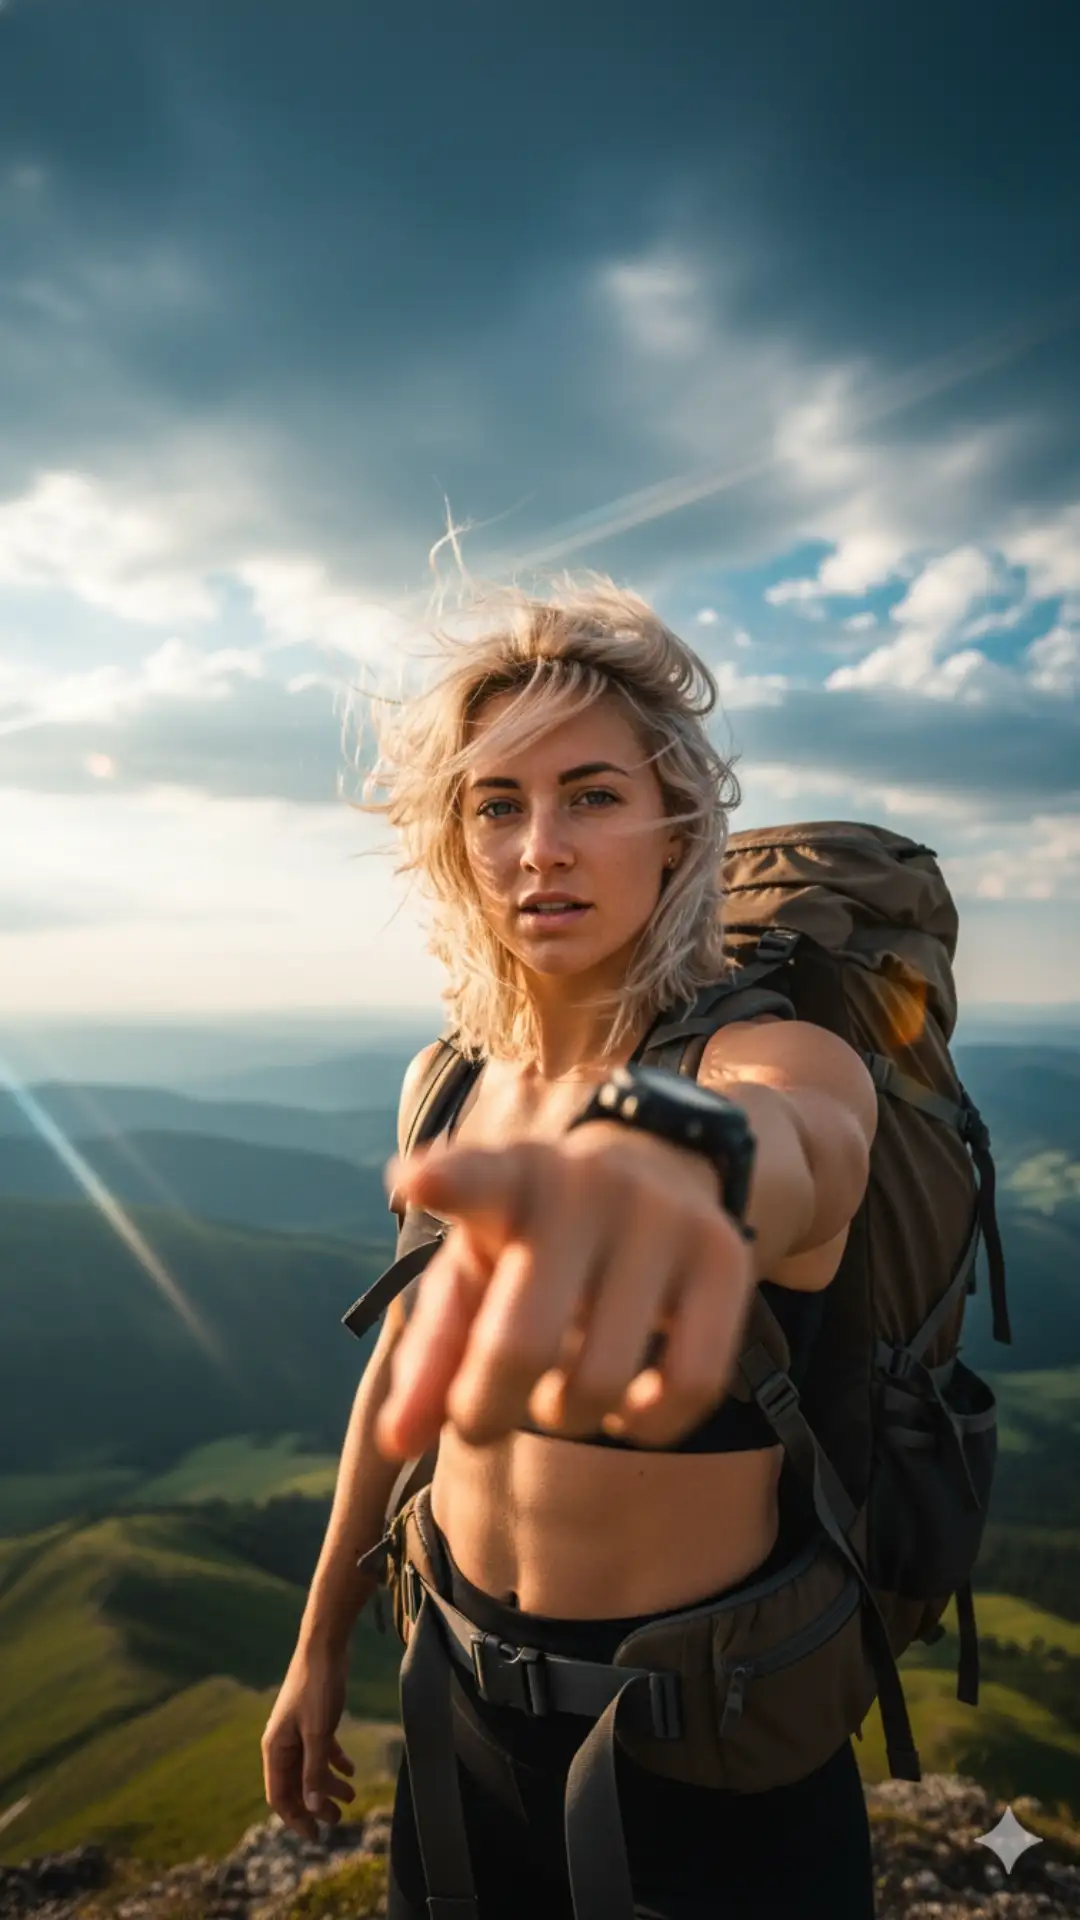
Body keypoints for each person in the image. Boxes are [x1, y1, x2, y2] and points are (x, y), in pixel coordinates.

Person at [261, 574, 880, 1918]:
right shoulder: (453, 1080)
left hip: (704, 1770)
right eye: (499, 803)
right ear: (457, 843)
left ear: (675, 831)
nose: (541, 844)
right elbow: (404, 1373)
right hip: (457, 1718)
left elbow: (798, 1147)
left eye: (592, 795)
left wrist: (664, 1152)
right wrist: (319, 1642)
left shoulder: (773, 1054)